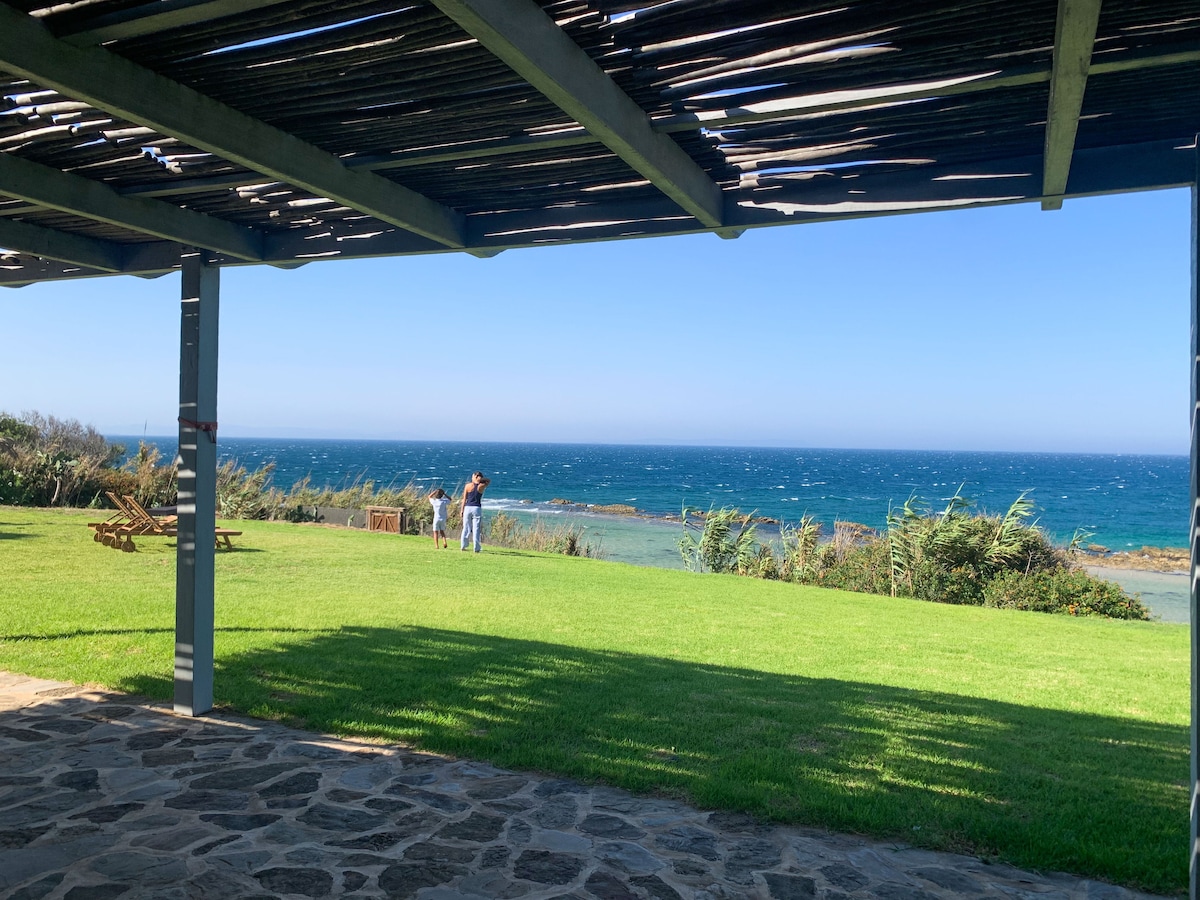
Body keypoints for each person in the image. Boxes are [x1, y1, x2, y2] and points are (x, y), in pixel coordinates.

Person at [460, 471, 490, 552]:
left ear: (474, 476)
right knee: (476, 528)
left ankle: (463, 545)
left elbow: (464, 499)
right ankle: (476, 547)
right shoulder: (481, 486)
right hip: (476, 508)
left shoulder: (468, 486)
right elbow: (488, 481)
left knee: (466, 527)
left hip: (467, 507)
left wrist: (462, 510)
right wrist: (481, 480)